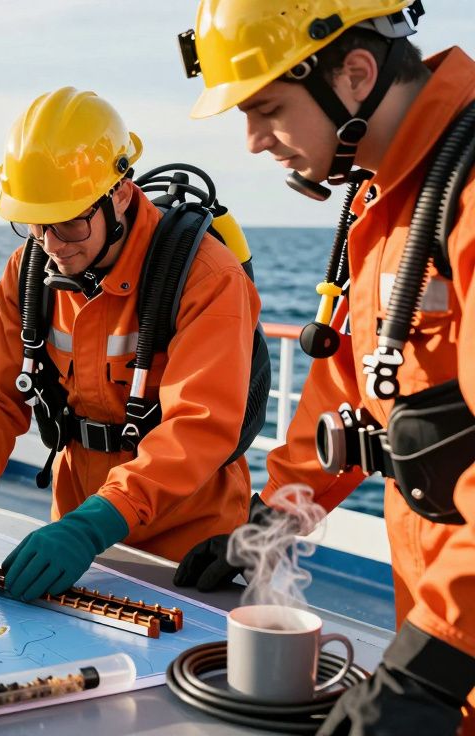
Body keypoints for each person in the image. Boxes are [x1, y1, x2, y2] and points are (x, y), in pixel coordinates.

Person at [177, 1, 475, 732]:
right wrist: (269, 523)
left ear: (356, 73)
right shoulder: (390, 197)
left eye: (268, 108)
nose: (251, 142)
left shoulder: (460, 194)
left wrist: (427, 669)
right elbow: (348, 391)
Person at [0, 87, 262, 604]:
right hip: (76, 523)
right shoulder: (29, 270)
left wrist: (92, 526)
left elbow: (198, 426)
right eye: (35, 223)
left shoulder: (206, 275)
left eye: (70, 221)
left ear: (121, 193)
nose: (53, 244)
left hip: (188, 540)